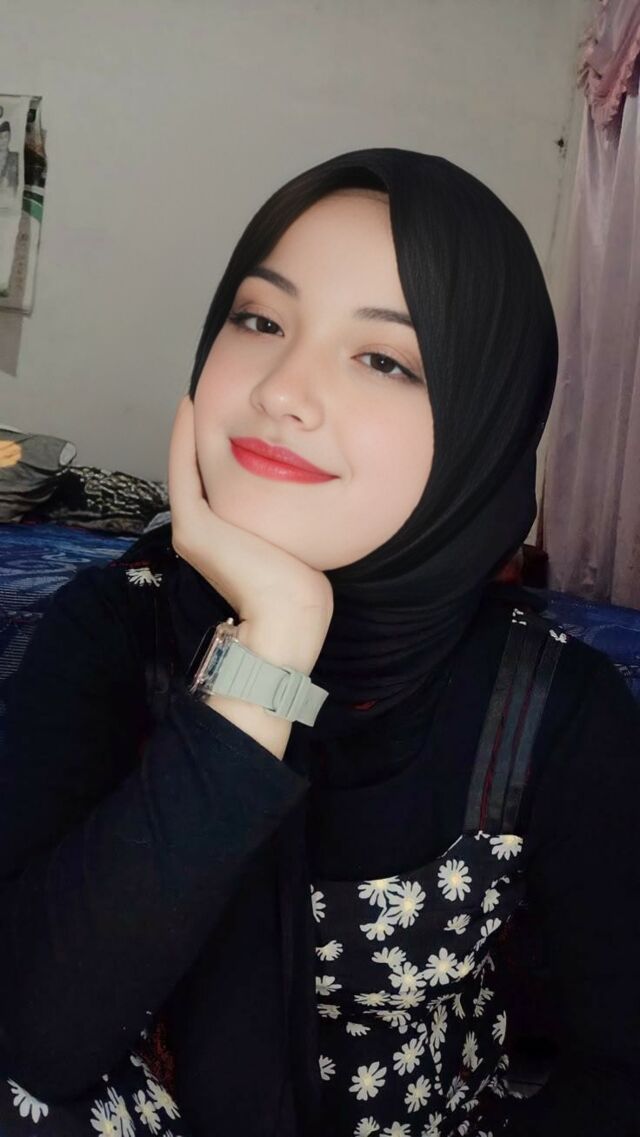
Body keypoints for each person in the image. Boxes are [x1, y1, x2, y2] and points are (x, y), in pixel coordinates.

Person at [0, 149, 638, 1137]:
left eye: (385, 359)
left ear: (483, 430)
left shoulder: (550, 709)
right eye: (260, 320)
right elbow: (36, 1040)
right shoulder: (117, 626)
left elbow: (622, 1071)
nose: (282, 390)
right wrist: (271, 654)